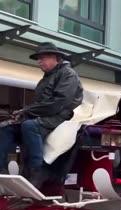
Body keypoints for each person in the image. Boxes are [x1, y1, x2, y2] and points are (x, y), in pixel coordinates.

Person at [0, 42, 83, 187]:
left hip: (60, 116)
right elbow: (40, 105)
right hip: (44, 115)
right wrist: (23, 113)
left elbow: (58, 103)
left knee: (30, 126)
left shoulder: (68, 74)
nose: (39, 62)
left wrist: (27, 111)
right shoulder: (46, 78)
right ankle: (2, 169)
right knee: (5, 127)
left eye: (42, 58)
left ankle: (37, 170)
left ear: (54, 58)